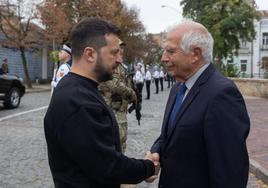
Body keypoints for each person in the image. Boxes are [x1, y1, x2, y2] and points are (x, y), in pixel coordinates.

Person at [44, 17, 159, 188]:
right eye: (113, 52)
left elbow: (95, 161)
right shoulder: (77, 100)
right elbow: (108, 166)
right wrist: (148, 167)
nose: (119, 60)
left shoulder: (82, 89)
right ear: (90, 54)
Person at [149, 20, 250, 188]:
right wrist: (156, 151)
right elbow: (172, 134)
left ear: (195, 54)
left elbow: (230, 170)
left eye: (170, 51)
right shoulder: (178, 88)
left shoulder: (222, 94)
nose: (163, 58)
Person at [98, 40, 137, 153]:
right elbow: (111, 84)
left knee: (121, 141)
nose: (121, 50)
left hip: (120, 109)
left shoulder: (121, 66)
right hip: (111, 109)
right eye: (118, 47)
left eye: (122, 47)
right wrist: (131, 93)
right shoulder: (108, 65)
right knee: (114, 143)